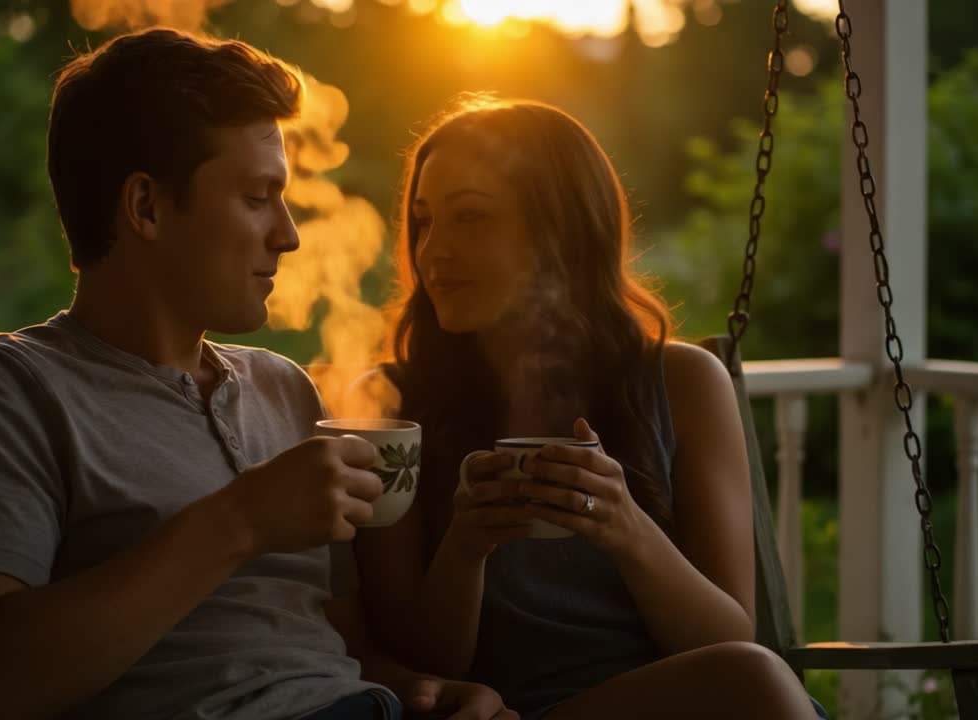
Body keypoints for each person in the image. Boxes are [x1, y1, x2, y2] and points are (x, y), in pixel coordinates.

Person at [0, 29, 514, 720]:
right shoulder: (4, 391)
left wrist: (419, 689)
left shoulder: (284, 390)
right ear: (146, 207)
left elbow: (332, 645)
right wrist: (239, 521)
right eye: (256, 197)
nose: (289, 235)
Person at [352, 96, 827, 719]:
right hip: (510, 712)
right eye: (423, 222)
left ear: (560, 231)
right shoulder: (390, 406)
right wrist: (465, 547)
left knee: (753, 677)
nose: (432, 250)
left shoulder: (682, 383)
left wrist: (624, 525)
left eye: (470, 217)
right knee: (756, 683)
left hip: (681, 703)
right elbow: (420, 670)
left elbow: (730, 638)